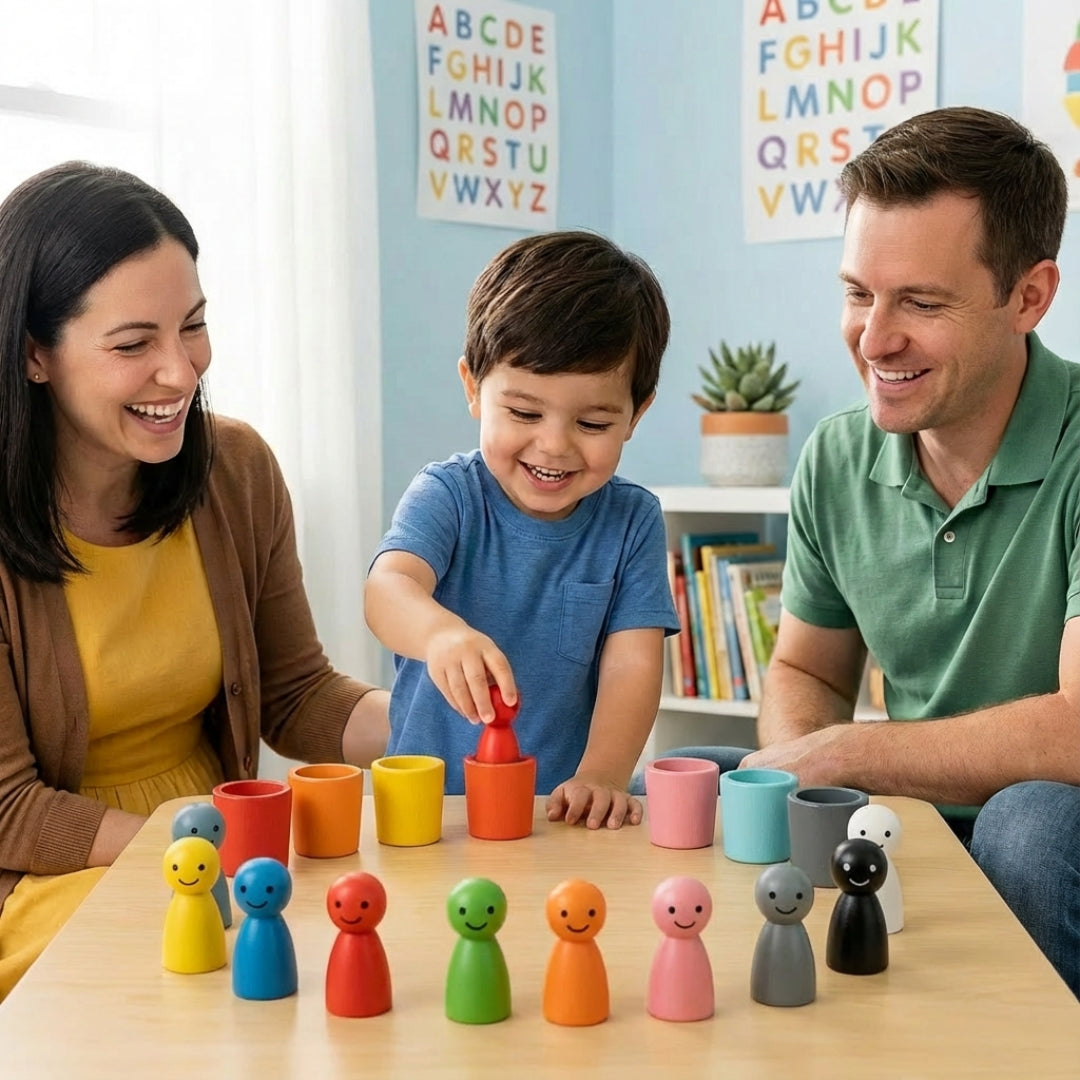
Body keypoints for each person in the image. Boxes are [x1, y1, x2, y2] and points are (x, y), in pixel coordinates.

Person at [656, 106, 1080, 998]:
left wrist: (849, 757)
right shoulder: (838, 455)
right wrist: (809, 788)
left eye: (920, 303)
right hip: (906, 811)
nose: (873, 338)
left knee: (1030, 824)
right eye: (858, 292)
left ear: (1030, 297)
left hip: (1051, 818)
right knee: (683, 777)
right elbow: (806, 673)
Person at [0, 161, 390, 999]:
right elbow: (10, 810)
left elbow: (294, 693)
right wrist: (192, 849)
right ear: (35, 354)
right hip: (50, 879)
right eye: (134, 344)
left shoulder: (235, 471)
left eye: (194, 327)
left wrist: (437, 720)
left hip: (212, 848)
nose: (181, 372)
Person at [365, 231, 679, 830]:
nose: (554, 445)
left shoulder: (632, 520)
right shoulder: (449, 495)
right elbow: (387, 590)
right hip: (433, 817)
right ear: (472, 388)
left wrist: (604, 776)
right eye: (525, 413)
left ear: (636, 415)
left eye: (591, 421)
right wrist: (438, 635)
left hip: (557, 816)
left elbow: (631, 667)